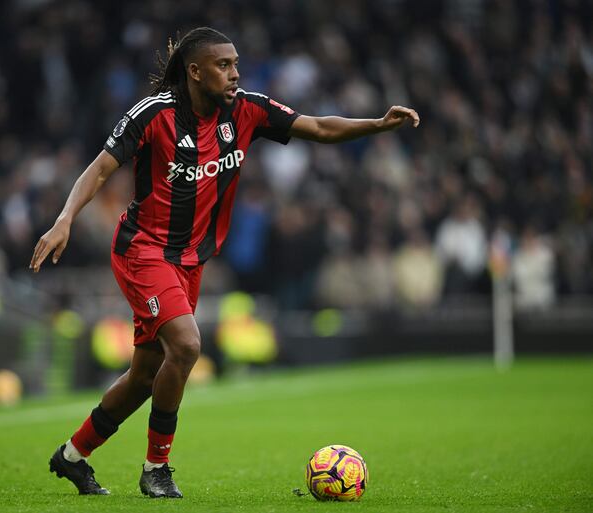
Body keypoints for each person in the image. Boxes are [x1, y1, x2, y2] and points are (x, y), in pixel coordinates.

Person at [29, 27, 419, 499]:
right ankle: (156, 469)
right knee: (188, 346)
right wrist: (65, 219)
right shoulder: (154, 115)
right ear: (195, 72)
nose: (235, 73)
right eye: (224, 65)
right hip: (143, 250)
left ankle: (72, 456)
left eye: (235, 64)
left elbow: (317, 127)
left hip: (191, 261)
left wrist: (377, 125)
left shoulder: (247, 110)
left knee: (145, 377)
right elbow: (100, 168)